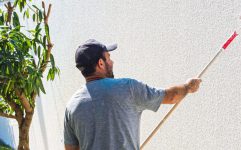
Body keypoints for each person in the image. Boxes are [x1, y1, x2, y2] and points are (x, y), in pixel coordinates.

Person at [64, 39, 202, 150]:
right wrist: (188, 86)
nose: (112, 62)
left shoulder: (71, 106)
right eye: (108, 58)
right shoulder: (127, 87)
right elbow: (172, 97)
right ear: (100, 63)